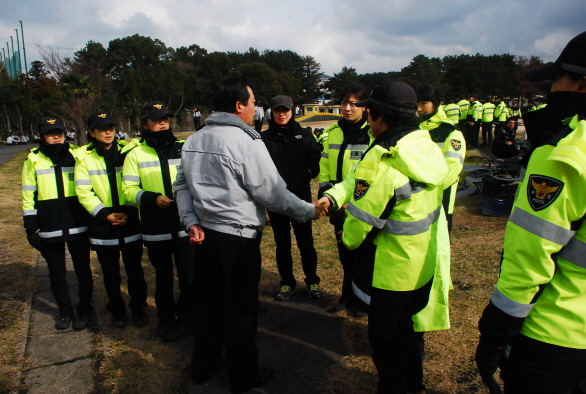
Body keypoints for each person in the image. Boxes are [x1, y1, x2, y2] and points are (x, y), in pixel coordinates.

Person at [173, 76, 324, 393]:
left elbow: (181, 187)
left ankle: (203, 365)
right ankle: (243, 377)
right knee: (240, 310)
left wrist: (190, 221)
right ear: (239, 105)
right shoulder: (245, 142)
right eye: (254, 102)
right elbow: (273, 194)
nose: (257, 109)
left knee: (208, 307)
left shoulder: (193, 140)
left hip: (204, 237)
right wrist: (308, 211)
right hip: (238, 240)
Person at [318, 80, 448, 393]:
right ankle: (414, 385)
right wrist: (334, 196)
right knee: (406, 333)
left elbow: (356, 231)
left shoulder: (386, 164)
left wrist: (343, 230)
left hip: (391, 274)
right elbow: (354, 177)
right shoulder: (423, 148)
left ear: (378, 117)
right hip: (422, 265)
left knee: (386, 344)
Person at [476, 30, 586, 394]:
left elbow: (530, 258)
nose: (550, 90)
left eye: (558, 80)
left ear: (581, 85)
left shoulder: (564, 153)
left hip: (555, 336)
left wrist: (494, 336)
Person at [122, 101, 194, 341]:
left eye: (166, 118)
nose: (163, 122)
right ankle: (166, 319)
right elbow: (128, 190)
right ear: (145, 124)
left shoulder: (184, 148)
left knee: (188, 275)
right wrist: (151, 198)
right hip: (156, 228)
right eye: (156, 119)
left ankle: (186, 317)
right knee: (163, 278)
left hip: (184, 226)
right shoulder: (135, 154)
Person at [74, 111, 148, 328]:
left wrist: (130, 210)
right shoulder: (84, 158)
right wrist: (104, 214)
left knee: (135, 270)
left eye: (111, 128)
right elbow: (83, 191)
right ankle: (117, 310)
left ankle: (138, 308)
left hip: (129, 218)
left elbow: (138, 182)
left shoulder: (129, 152)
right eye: (102, 129)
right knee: (110, 273)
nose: (108, 132)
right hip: (103, 223)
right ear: (92, 132)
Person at [21, 117, 93, 330]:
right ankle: (64, 310)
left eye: (59, 132)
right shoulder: (32, 161)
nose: (56, 136)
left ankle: (85, 309)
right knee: (56, 272)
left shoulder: (77, 156)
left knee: (83, 270)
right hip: (50, 224)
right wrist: (30, 226)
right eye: (50, 133)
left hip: (77, 222)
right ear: (42, 136)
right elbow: (28, 194)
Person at [262, 95, 322, 300]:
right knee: (282, 244)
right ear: (271, 112)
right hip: (277, 200)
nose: (282, 114)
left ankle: (313, 281)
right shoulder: (264, 139)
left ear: (293, 111)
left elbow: (314, 166)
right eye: (277, 110)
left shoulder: (305, 135)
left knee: (306, 242)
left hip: (301, 197)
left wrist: (298, 182)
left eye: (285, 110)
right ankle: (287, 282)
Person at [318, 86, 372, 316]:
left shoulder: (372, 133)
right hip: (336, 205)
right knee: (344, 255)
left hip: (358, 205)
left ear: (365, 107)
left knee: (362, 256)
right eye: (344, 103)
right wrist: (327, 194)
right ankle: (347, 296)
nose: (348, 108)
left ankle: (361, 301)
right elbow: (324, 166)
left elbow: (370, 174)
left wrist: (355, 202)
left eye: (354, 103)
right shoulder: (334, 132)